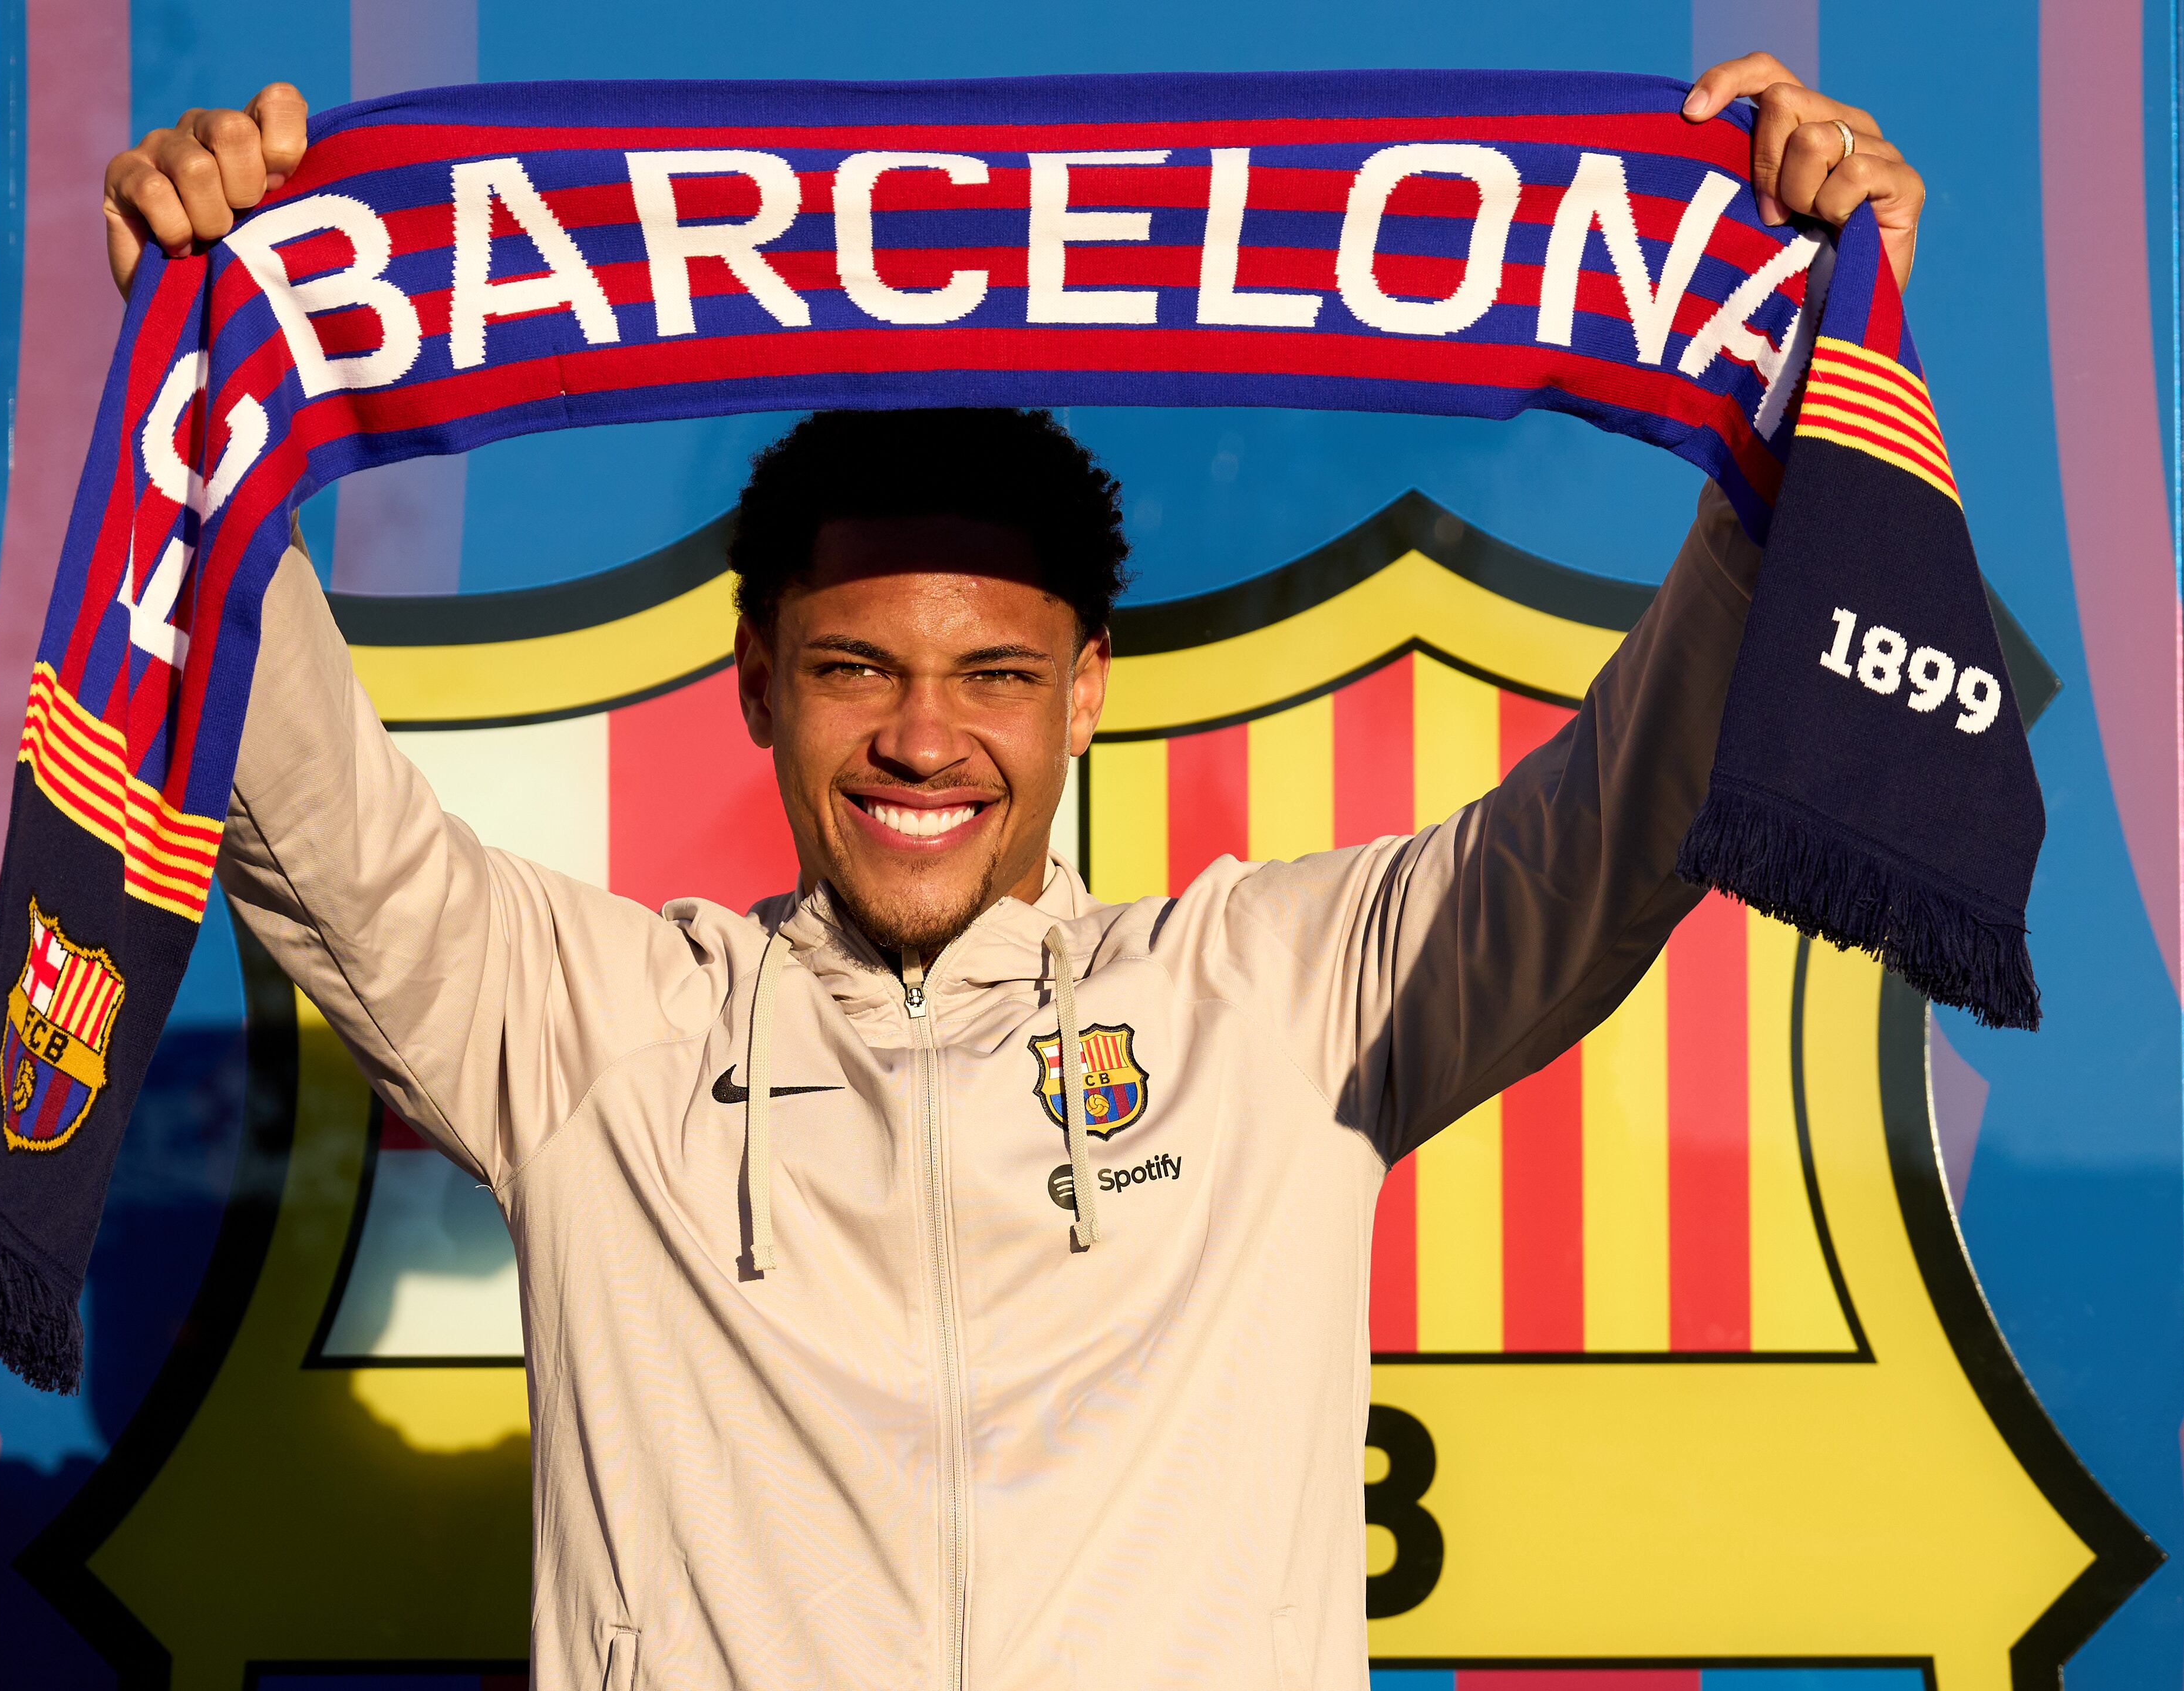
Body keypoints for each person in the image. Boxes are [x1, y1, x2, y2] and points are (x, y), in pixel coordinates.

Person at [102, 52, 1926, 1690]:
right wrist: (208, 362)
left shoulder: (1278, 1004)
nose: (921, 739)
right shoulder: (597, 1038)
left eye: (993, 675)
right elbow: (304, 812)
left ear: (1087, 691)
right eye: (853, 670)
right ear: (753, 685)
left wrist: (1797, 396)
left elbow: (1628, 816)